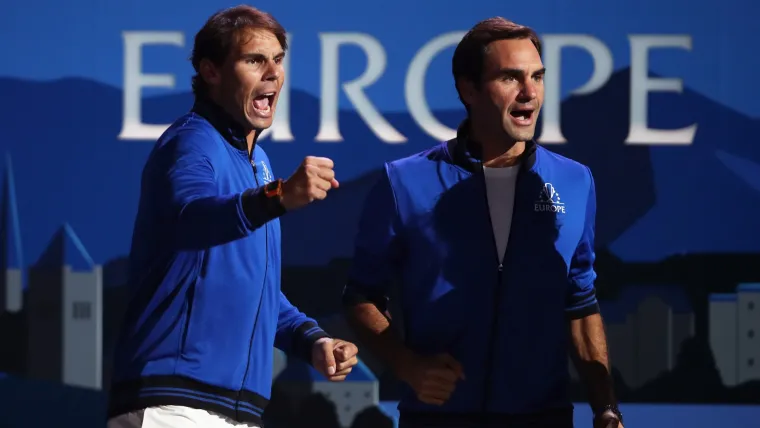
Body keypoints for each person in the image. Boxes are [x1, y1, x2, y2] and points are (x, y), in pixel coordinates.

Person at [343, 17, 623, 428]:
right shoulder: (402, 181)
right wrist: (408, 367)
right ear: (468, 89)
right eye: (511, 77)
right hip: (436, 419)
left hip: (544, 417)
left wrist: (606, 408)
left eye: (538, 77)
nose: (530, 92)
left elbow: (579, 302)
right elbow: (360, 296)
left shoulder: (574, 181)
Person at [107, 6, 358, 428]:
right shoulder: (191, 142)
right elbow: (191, 218)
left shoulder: (258, 162)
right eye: (254, 60)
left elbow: (254, 287)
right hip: (174, 405)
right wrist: (277, 197)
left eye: (278, 59)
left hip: (235, 412)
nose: (273, 73)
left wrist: (310, 339)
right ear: (211, 72)